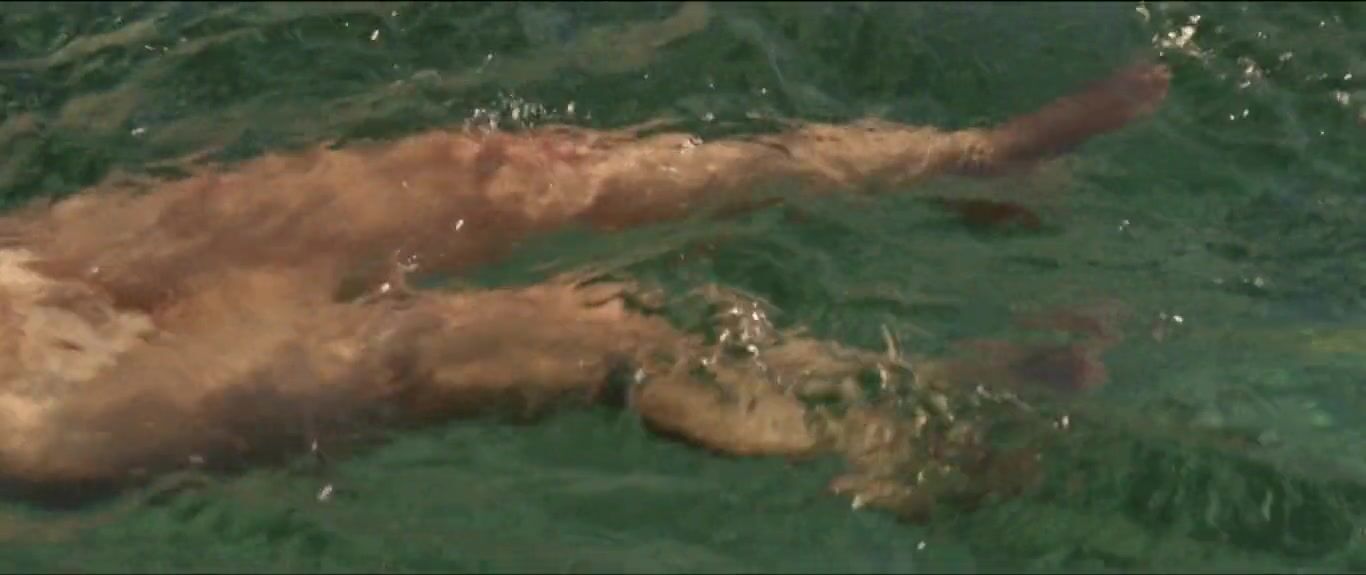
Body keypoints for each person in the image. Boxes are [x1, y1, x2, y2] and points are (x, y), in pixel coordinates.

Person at [0, 60, 1170, 515]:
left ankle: (969, 160)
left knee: (498, 171)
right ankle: (897, 437)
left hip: (27, 266)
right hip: (35, 409)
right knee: (561, 331)